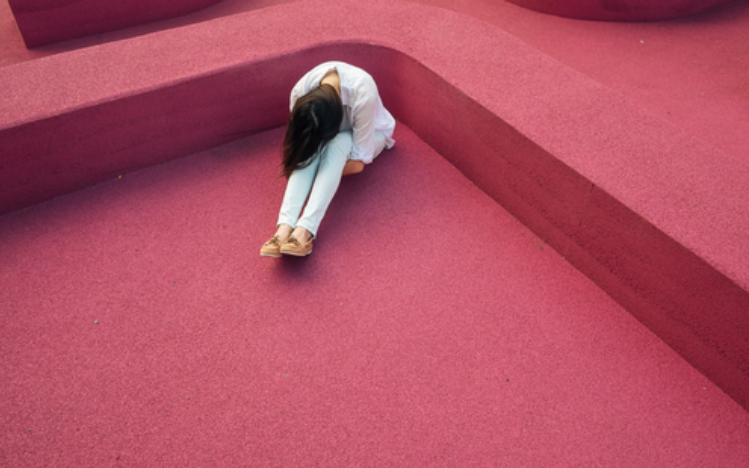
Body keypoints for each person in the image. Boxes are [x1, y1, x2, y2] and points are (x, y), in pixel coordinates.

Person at [260, 61, 396, 257]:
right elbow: (300, 146)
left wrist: (319, 170)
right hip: (334, 134)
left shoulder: (362, 92)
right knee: (308, 152)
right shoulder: (300, 93)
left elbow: (357, 164)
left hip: (373, 133)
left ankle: (305, 230)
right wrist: (310, 160)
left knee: (337, 143)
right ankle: (283, 229)